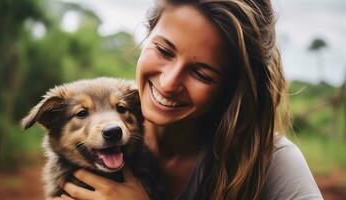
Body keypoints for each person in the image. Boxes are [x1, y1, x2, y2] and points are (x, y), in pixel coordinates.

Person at [55, 0, 323, 199]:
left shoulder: (270, 162)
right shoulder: (104, 139)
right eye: (163, 50)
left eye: (201, 73)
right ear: (147, 35)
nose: (169, 83)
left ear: (231, 87)